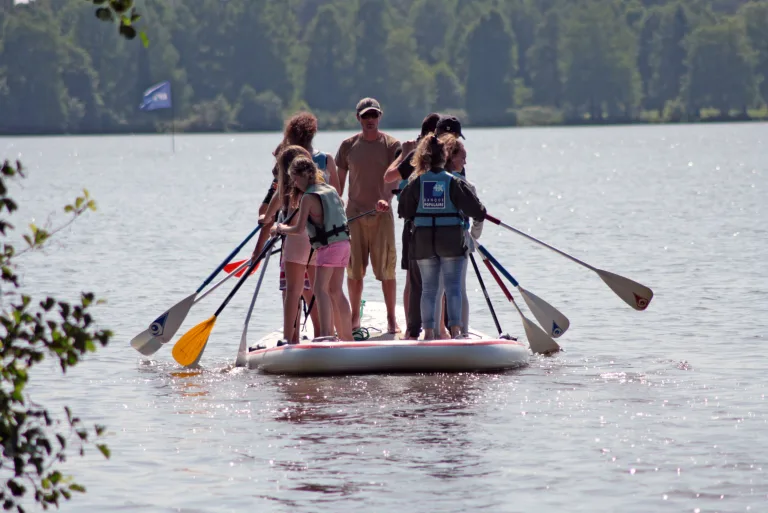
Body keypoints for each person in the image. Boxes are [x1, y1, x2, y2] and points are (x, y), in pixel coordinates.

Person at [397, 134, 486, 340]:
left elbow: (404, 210)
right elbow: (478, 211)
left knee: (429, 289)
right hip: (451, 242)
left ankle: (428, 333)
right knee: (453, 287)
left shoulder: (416, 182)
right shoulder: (454, 182)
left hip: (424, 242)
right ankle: (456, 332)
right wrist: (472, 235)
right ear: (445, 156)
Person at [335, 98, 402, 336]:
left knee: (387, 269)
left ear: (380, 117)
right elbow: (337, 186)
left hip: (381, 215)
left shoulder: (392, 145)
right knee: (354, 270)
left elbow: (396, 177)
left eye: (374, 115)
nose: (370, 120)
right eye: (366, 116)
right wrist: (335, 207)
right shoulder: (347, 146)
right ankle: (354, 318)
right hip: (354, 216)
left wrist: (387, 199)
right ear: (359, 119)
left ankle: (392, 320)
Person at [272, 157, 354, 343]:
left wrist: (280, 228)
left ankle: (326, 335)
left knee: (320, 289)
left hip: (328, 247)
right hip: (345, 245)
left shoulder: (308, 196)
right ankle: (348, 337)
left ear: (302, 176)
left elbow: (298, 229)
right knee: (336, 290)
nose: (294, 183)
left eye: (294, 179)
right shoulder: (331, 189)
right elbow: (340, 209)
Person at [385, 113, 441, 339]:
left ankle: (439, 326)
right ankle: (411, 327)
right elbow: (388, 177)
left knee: (439, 276)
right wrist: (406, 153)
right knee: (413, 277)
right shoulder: (413, 153)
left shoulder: (445, 153)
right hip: (414, 223)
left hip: (440, 222)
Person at [258, 144, 321, 343]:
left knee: (293, 291)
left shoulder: (284, 191)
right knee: (317, 290)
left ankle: (289, 338)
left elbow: (268, 218)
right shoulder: (317, 188)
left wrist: (267, 221)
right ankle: (322, 333)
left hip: (295, 245)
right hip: (317, 244)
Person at [438, 134, 483, 336]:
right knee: (458, 288)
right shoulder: (466, 185)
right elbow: (479, 216)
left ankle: (436, 331)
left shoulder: (430, 180)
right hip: (459, 241)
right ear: (451, 156)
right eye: (462, 157)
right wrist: (473, 237)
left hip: (433, 240)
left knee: (437, 289)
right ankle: (462, 332)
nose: (465, 162)